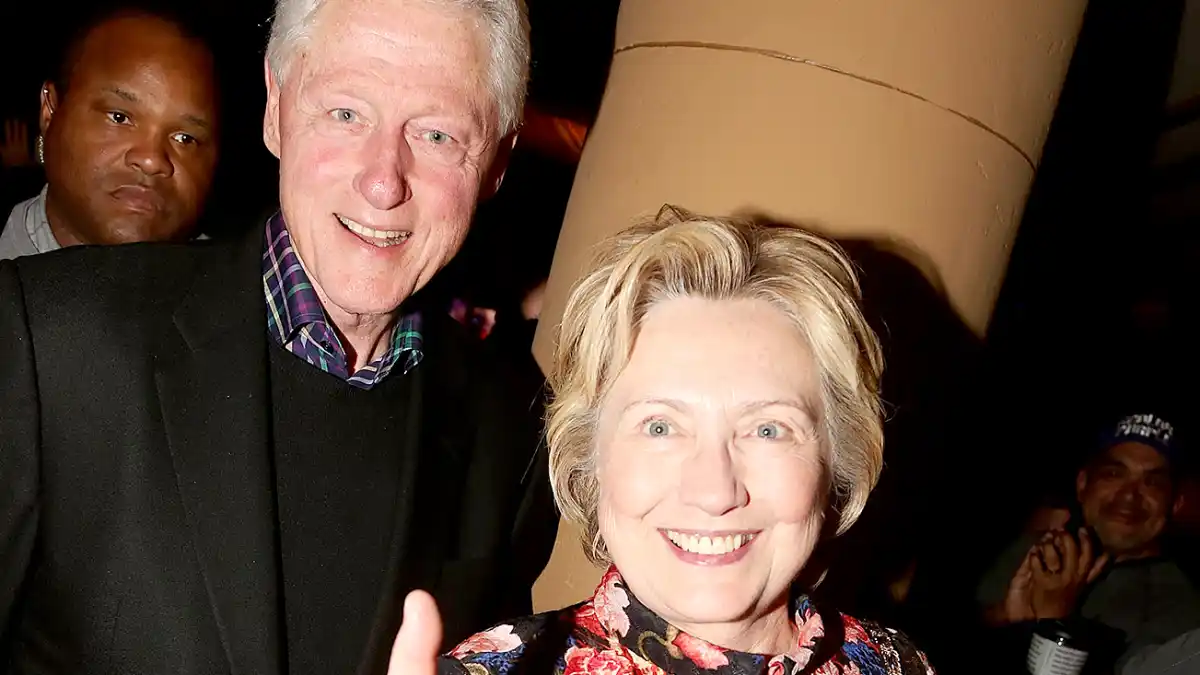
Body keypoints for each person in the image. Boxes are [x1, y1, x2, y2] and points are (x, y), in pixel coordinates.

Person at [0, 0, 556, 672]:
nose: (383, 181)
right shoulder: (47, 339)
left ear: (496, 161)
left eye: (438, 134)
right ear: (275, 107)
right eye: (346, 113)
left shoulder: (515, 432)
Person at [388, 206, 936, 675]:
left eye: (768, 429)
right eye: (660, 427)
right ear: (590, 459)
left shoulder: (897, 663)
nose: (714, 491)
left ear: (835, 461)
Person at [0, 1, 221, 260]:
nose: (151, 161)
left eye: (185, 138)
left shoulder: (236, 279)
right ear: (50, 112)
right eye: (119, 118)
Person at [978, 412, 1200, 667]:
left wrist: (1053, 621)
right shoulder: (1038, 550)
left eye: (1152, 483)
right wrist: (1007, 617)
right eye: (1113, 474)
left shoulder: (1181, 608)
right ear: (1082, 484)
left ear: (1175, 504)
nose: (1129, 496)